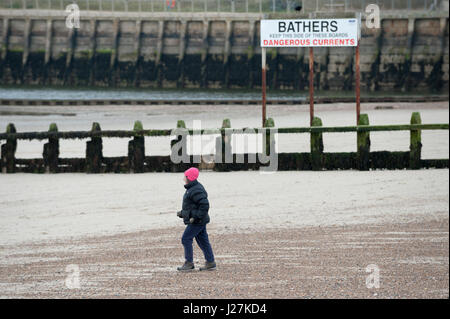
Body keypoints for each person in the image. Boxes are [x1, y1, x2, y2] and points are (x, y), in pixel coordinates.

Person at [176, 167, 216, 272]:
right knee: (203, 241)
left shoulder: (196, 189)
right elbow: (192, 206)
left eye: (185, 176)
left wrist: (196, 217)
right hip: (198, 220)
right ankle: (210, 262)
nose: (183, 178)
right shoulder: (192, 188)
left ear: (189, 178)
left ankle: (189, 263)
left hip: (198, 221)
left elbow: (204, 205)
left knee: (186, 238)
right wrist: (183, 213)